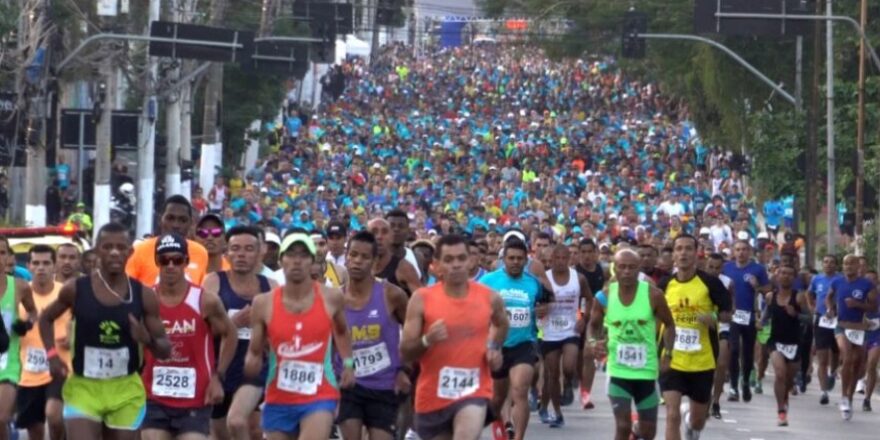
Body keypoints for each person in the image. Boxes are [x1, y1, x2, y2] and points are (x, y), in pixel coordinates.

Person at [38, 222, 171, 439]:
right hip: (84, 387)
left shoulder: (143, 294)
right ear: (97, 250)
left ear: (130, 252)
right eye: (107, 247)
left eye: (121, 247)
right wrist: (52, 356)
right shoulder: (76, 288)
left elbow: (165, 350)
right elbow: (45, 318)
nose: (115, 252)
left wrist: (146, 339)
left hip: (125, 390)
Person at [244, 233, 355, 439]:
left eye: (303, 255)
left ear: (312, 262)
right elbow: (255, 350)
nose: (297, 260)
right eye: (291, 254)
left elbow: (341, 331)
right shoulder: (263, 303)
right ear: (280, 260)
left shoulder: (331, 297)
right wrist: (252, 362)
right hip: (278, 395)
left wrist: (348, 364)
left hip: (320, 393)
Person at [400, 234, 508, 440]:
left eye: (461, 258)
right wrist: (427, 340)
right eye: (449, 260)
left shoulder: (489, 297)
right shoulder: (422, 299)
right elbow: (405, 351)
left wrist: (493, 346)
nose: (456, 265)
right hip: (432, 396)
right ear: (436, 265)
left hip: (474, 391)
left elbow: (502, 323)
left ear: (470, 261)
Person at [141, 233, 239, 440]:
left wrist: (218, 376)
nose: (170, 266)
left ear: (186, 262)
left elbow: (230, 334)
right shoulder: (147, 298)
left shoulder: (204, 300)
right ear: (157, 262)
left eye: (176, 260)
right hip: (155, 396)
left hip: (196, 397)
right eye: (164, 260)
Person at [588, 249, 675, 440]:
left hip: (647, 371)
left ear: (639, 270)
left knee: (648, 431)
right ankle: (630, 430)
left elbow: (669, 324)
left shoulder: (654, 295)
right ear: (615, 270)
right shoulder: (603, 297)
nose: (627, 271)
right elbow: (592, 327)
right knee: (622, 424)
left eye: (632, 267)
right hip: (618, 371)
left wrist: (668, 354)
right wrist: (593, 342)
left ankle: (637, 433)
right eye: (622, 267)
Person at [201, 226, 277, 440]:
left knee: (246, 426)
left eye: (248, 249)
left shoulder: (270, 286)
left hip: (255, 368)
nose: (241, 254)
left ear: (259, 252)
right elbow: (202, 332)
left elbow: (279, 336)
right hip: (220, 368)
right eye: (235, 248)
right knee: (221, 432)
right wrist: (232, 323)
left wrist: (262, 328)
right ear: (227, 253)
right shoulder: (213, 282)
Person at [338, 231, 410, 440]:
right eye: (353, 255)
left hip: (384, 385)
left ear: (375, 261)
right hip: (349, 385)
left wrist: (405, 369)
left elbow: (412, 332)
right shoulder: (335, 298)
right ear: (346, 256)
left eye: (364, 257)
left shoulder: (392, 294)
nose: (357, 261)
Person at [659, 234, 731, 440]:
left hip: (702, 362)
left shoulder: (711, 283)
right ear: (673, 254)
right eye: (679, 249)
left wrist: (714, 317)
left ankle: (692, 423)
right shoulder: (664, 285)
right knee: (672, 416)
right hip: (673, 359)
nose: (683, 253)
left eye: (688, 248)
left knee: (699, 420)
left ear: (696, 253)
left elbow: (728, 312)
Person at [481, 238, 547, 436]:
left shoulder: (534, 283)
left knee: (520, 391)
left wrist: (542, 312)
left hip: (523, 344)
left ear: (526, 260)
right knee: (498, 398)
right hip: (498, 346)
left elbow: (545, 304)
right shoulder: (488, 281)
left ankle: (518, 437)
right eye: (511, 258)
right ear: (504, 259)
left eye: (520, 258)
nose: (515, 262)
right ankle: (499, 424)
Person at [17, 245, 68, 440]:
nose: (41, 268)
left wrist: (73, 337)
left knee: (54, 416)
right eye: (36, 263)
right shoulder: (20, 294)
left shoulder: (66, 294)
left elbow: (80, 324)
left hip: (60, 369)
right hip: (28, 372)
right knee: (35, 431)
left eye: (46, 263)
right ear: (28, 266)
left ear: (54, 266)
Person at [540, 245, 591, 420]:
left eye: (564, 258)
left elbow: (586, 300)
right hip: (549, 330)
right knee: (552, 374)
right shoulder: (544, 279)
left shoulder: (579, 278)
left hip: (571, 329)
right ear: (552, 259)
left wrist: (582, 318)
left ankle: (569, 382)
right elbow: (536, 302)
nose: (561, 262)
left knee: (569, 366)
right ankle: (557, 411)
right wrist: (540, 309)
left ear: (569, 259)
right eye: (557, 258)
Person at [825, 254, 877, 420]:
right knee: (847, 357)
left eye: (851, 264)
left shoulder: (867, 284)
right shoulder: (837, 282)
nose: (848, 266)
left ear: (857, 266)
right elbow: (829, 297)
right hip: (841, 326)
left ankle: (850, 397)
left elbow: (874, 306)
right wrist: (829, 309)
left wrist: (857, 305)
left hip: (859, 328)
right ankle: (843, 397)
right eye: (845, 264)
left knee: (858, 366)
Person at [759, 264, 807, 426]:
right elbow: (766, 316)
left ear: (794, 278)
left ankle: (784, 402)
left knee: (788, 380)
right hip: (775, 341)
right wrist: (760, 323)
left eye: (789, 274)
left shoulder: (800, 297)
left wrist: (797, 315)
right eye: (782, 273)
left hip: (794, 342)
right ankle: (781, 410)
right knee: (780, 374)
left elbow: (810, 319)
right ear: (777, 276)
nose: (785, 276)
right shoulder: (770, 297)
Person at [722, 240, 770, 403]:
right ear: (733, 252)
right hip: (733, 314)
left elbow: (768, 289)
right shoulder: (727, 268)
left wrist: (757, 286)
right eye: (738, 249)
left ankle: (745, 382)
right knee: (734, 349)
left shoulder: (758, 269)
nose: (741, 253)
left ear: (749, 252)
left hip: (750, 315)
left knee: (748, 353)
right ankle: (734, 387)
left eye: (744, 250)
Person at [0, 236, 38, 440]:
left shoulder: (20, 286)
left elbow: (33, 312)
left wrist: (26, 324)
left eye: (2, 252)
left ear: (8, 257)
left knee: (1, 417)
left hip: (8, 361)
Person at [126, 195, 210, 286]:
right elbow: (128, 290)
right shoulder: (139, 250)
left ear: (190, 223)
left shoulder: (201, 253)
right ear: (160, 219)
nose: (176, 225)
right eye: (170, 218)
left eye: (183, 220)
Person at [574, 238, 606, 409]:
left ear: (596, 253)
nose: (587, 256)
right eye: (583, 252)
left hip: (595, 319)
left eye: (590, 252)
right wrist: (580, 316)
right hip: (577, 316)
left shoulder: (602, 271)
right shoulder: (575, 273)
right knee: (577, 357)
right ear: (578, 254)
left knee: (589, 354)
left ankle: (586, 393)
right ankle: (577, 382)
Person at [808, 255, 842, 406]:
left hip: (838, 320)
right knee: (822, 357)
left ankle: (833, 373)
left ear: (836, 265)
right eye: (826, 262)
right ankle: (824, 392)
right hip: (822, 319)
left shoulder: (841, 280)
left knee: (836, 353)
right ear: (822, 264)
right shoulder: (816, 279)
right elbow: (809, 294)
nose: (828, 265)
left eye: (832, 262)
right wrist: (812, 308)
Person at [703, 253, 734, 419]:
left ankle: (716, 401)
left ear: (722, 268)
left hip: (721, 326)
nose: (714, 270)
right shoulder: (698, 282)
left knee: (721, 364)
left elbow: (731, 311)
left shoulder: (728, 283)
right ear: (705, 266)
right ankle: (705, 399)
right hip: (703, 328)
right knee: (706, 367)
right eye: (711, 267)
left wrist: (717, 316)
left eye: (717, 267)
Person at [368, 218, 422, 296]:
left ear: (391, 237)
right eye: (374, 232)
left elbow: (423, 301)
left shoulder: (403, 267)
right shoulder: (360, 267)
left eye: (384, 232)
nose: (379, 236)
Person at [862, 269, 880, 412]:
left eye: (873, 279)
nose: (870, 282)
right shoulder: (857, 294)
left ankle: (867, 399)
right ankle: (856, 384)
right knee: (857, 364)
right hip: (859, 333)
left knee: (872, 363)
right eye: (867, 279)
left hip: (877, 334)